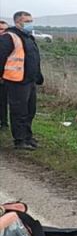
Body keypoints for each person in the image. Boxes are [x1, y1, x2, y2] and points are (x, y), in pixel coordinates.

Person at [0, 12, 44, 149]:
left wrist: (38, 76)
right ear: (18, 22)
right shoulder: (9, 37)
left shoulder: (28, 37)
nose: (30, 23)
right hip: (16, 80)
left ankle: (27, 137)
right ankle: (19, 140)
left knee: (30, 110)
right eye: (27, 21)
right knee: (19, 111)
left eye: (31, 20)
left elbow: (34, 58)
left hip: (29, 80)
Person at [0, 20, 8, 130]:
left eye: (5, 29)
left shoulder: (9, 44)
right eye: (1, 29)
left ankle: (4, 122)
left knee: (3, 100)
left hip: (6, 77)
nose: (3, 32)